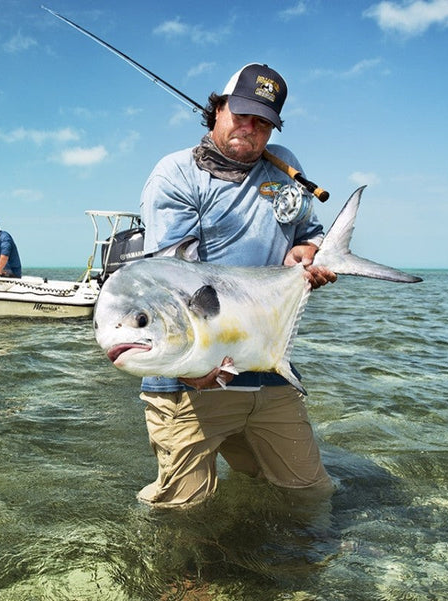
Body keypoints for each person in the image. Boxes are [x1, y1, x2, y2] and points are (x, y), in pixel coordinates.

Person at [137, 63, 337, 509]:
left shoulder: (286, 167)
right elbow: (168, 280)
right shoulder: (176, 174)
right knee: (184, 513)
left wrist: (309, 250)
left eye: (263, 121)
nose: (250, 128)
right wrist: (188, 366)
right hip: (192, 378)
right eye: (241, 114)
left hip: (267, 372)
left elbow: (310, 228)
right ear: (217, 110)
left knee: (310, 496)